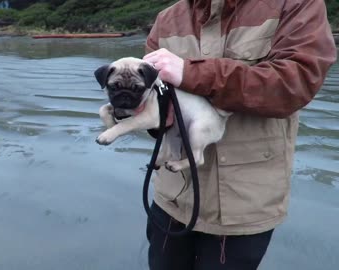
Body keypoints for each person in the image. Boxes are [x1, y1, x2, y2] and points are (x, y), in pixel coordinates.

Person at [142, 0, 337, 269]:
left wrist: (192, 73)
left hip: (243, 207)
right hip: (170, 199)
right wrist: (152, 116)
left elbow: (296, 84)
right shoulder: (166, 18)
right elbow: (152, 97)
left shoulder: (296, 4)